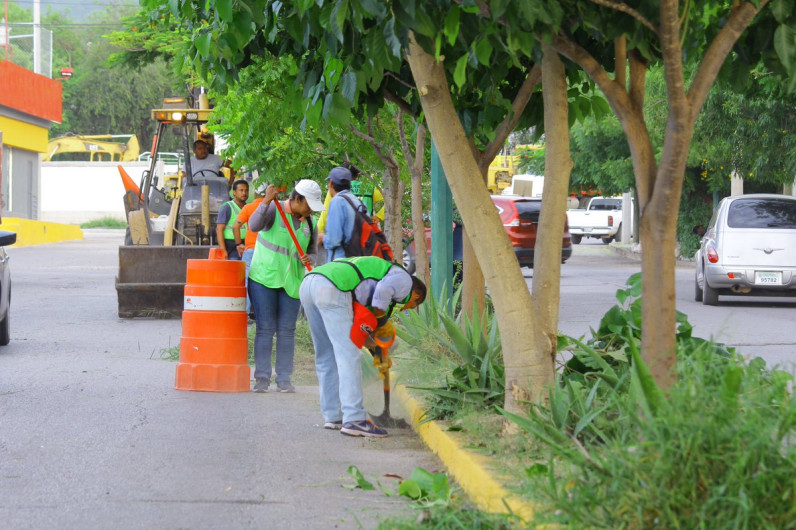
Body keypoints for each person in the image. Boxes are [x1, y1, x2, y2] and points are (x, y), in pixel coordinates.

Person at [299, 256, 427, 437]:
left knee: (326, 355)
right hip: (333, 287)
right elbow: (382, 292)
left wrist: (377, 349)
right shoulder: (404, 279)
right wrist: (381, 324)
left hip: (311, 284)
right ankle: (354, 419)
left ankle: (333, 416)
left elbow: (359, 325)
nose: (406, 307)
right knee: (349, 355)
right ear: (416, 295)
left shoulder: (373, 278)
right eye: (412, 305)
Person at [246, 180, 325, 393]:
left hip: (292, 283)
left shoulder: (311, 223)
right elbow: (253, 226)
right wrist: (264, 202)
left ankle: (284, 379)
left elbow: (313, 253)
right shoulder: (274, 208)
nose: (310, 211)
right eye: (308, 205)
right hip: (265, 278)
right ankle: (262, 379)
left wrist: (310, 258)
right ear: (297, 199)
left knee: (287, 331)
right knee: (265, 329)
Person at [232, 182, 267, 315]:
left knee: (246, 282)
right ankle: (263, 316)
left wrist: (239, 244)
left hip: (251, 250)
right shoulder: (274, 208)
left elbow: (236, 226)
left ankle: (244, 314)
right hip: (267, 253)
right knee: (265, 283)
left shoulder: (249, 207)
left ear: (255, 193)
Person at [321, 166, 367, 262]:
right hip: (358, 262)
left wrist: (322, 238)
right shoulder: (359, 203)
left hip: (341, 264)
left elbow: (334, 240)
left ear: (331, 183)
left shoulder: (337, 201)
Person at [215, 179, 249, 260]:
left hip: (246, 245)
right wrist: (223, 250)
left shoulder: (248, 207)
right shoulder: (227, 207)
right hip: (231, 246)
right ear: (234, 192)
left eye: (246, 190)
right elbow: (219, 229)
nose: (244, 193)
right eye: (241, 190)